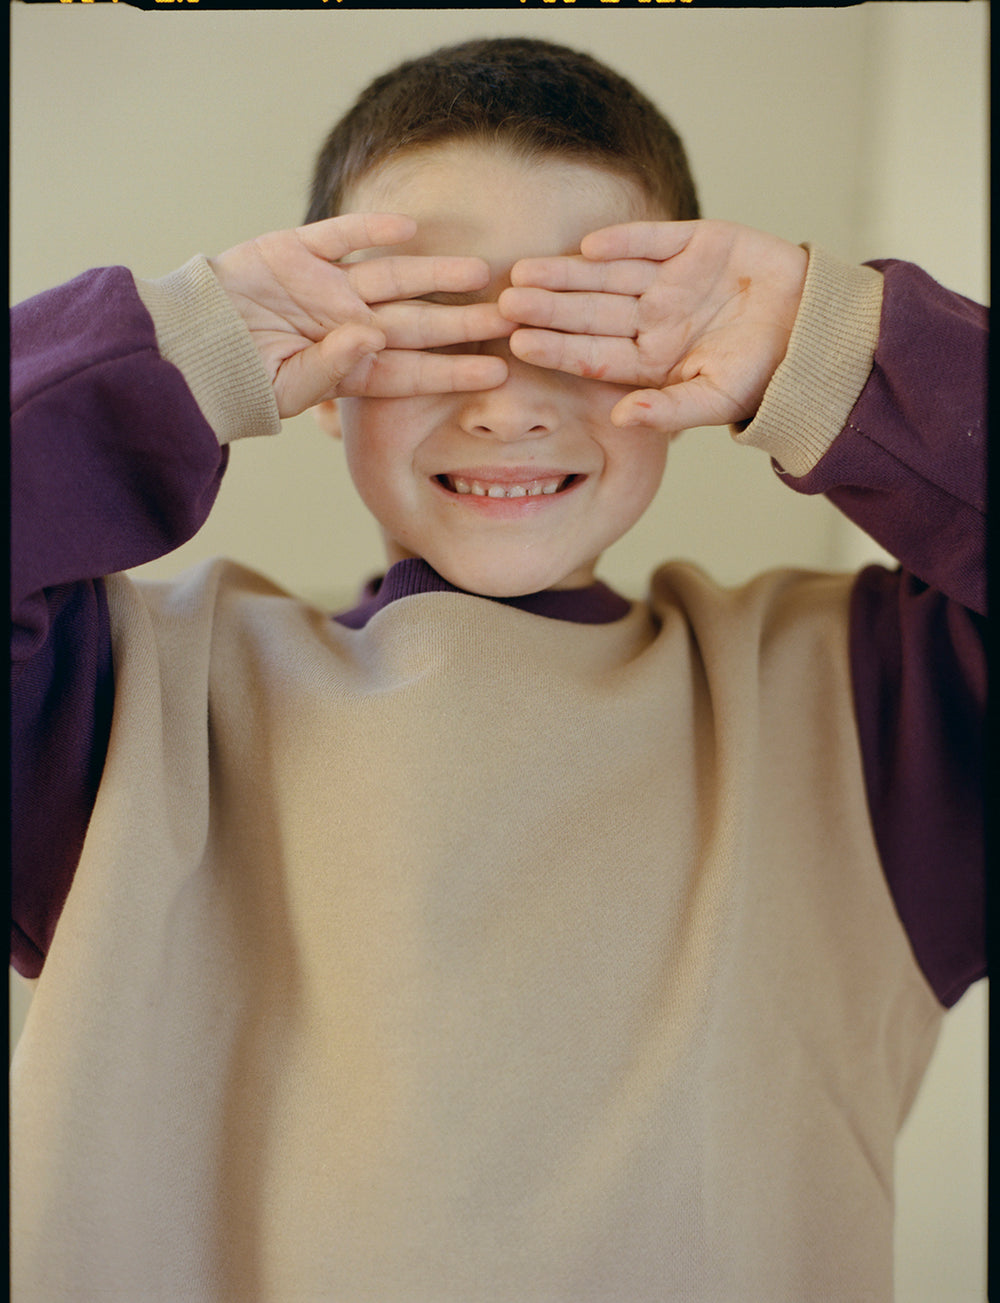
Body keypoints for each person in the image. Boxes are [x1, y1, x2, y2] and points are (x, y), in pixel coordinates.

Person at [10, 36, 985, 1303]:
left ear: (697, 361)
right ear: (320, 376)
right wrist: (183, 347)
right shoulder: (121, 706)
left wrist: (836, 347)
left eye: (588, 325)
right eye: (436, 327)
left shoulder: (867, 712)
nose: (507, 406)